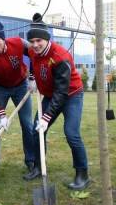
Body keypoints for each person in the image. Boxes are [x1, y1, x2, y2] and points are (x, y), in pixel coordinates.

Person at [23, 13, 90, 190]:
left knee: (71, 133)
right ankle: (38, 166)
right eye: (32, 41)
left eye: (39, 41)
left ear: (47, 39)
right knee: (36, 130)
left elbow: (62, 92)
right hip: (51, 95)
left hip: (71, 95)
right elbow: (21, 47)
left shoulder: (60, 57)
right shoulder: (32, 50)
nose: (35, 45)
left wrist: (46, 118)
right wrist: (31, 77)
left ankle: (82, 173)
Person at [0, 20, 35, 179]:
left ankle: (31, 160)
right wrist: (2, 114)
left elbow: (35, 53)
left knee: (27, 124)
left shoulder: (18, 43)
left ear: (3, 38)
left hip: (21, 86)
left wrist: (32, 77)